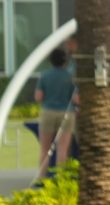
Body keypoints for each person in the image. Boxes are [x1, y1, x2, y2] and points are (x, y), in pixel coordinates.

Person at [34, 48, 78, 181]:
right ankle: (60, 178)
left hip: (48, 112)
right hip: (66, 113)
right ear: (65, 61)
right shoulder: (70, 77)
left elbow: (38, 97)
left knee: (45, 149)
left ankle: (42, 178)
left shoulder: (45, 75)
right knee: (62, 148)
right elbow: (76, 98)